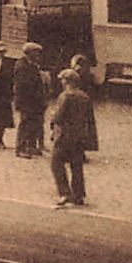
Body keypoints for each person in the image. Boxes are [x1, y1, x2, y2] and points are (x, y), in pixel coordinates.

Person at [49, 69, 93, 208]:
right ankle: (79, 195)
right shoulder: (85, 97)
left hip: (64, 136)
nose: (61, 82)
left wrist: (52, 116)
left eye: (63, 80)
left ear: (67, 81)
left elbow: (59, 117)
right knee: (76, 165)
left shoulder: (65, 96)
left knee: (56, 162)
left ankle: (64, 192)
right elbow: (90, 119)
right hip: (79, 136)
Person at [13, 43, 47, 158]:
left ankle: (31, 146)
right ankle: (20, 148)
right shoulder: (21, 66)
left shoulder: (32, 65)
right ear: (29, 53)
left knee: (34, 123)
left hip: (35, 101)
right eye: (36, 52)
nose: (38, 55)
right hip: (26, 101)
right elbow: (23, 86)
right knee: (25, 124)